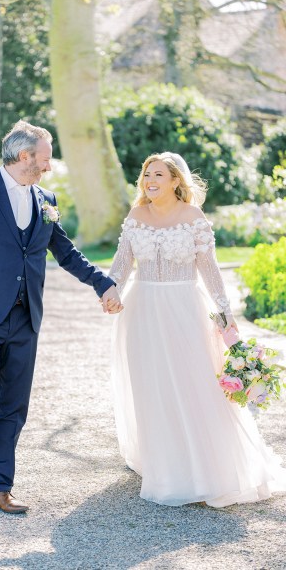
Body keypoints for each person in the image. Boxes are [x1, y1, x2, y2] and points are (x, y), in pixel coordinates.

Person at [0, 120, 122, 514]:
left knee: (14, 404)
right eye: (45, 158)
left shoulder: (45, 198)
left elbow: (65, 252)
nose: (49, 166)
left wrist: (103, 283)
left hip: (26, 315)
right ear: (24, 155)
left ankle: (0, 487)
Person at [109, 151, 286, 507]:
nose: (150, 181)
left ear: (176, 181)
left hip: (185, 308)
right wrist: (109, 289)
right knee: (152, 384)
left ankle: (205, 468)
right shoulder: (136, 216)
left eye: (158, 174)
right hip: (141, 310)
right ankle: (164, 463)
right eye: (146, 175)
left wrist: (225, 315)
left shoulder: (193, 217)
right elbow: (121, 264)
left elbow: (211, 270)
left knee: (193, 383)